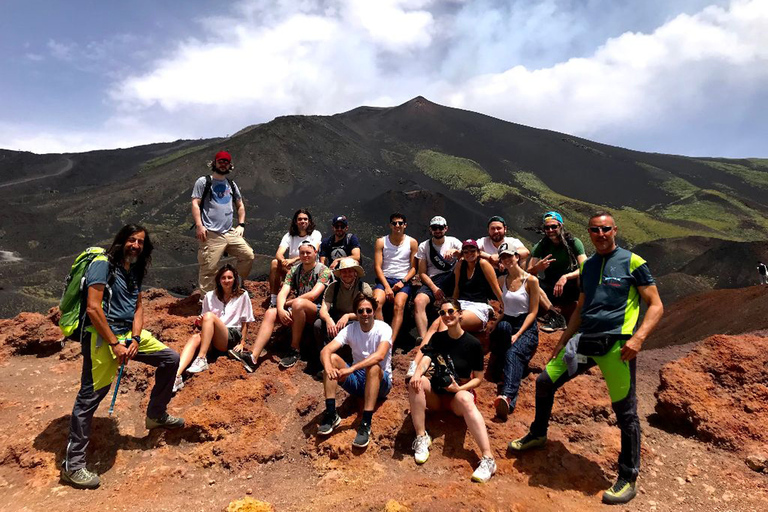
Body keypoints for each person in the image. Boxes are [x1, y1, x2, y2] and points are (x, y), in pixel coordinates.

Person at [508, 211, 663, 505]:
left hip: (617, 347)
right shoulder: (589, 266)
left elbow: (655, 305)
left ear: (615, 230)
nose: (601, 234)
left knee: (626, 412)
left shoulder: (633, 262)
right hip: (585, 342)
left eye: (606, 229)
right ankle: (538, 434)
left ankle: (628, 476)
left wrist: (638, 338)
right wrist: (563, 341)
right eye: (595, 230)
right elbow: (580, 307)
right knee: (545, 381)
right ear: (589, 233)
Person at [61, 225, 184, 490]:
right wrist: (115, 344)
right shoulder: (103, 265)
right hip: (102, 337)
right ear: (121, 241)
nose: (136, 245)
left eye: (140, 242)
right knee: (90, 396)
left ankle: (156, 414)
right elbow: (94, 309)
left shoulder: (135, 268)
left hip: (128, 333)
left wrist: (136, 338)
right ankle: (73, 465)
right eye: (131, 240)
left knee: (170, 359)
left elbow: (138, 306)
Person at [408, 299, 496, 483]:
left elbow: (478, 379)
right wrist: (417, 372)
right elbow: (426, 358)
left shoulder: (472, 344)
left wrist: (459, 388)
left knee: (465, 398)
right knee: (417, 383)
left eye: (451, 311)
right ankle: (421, 437)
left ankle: (488, 459)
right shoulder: (439, 338)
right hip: (437, 396)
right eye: (442, 313)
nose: (447, 316)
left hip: (457, 397)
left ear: (460, 313)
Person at [406, 239, 504, 380]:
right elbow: (457, 288)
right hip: (461, 304)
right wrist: (451, 305)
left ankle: (437, 361)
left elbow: (496, 288)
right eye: (466, 251)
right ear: (463, 253)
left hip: (478, 307)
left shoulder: (483, 264)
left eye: (472, 250)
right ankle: (415, 363)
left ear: (478, 252)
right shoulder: (460, 265)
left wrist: (504, 309)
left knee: (451, 320)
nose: (469, 253)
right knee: (438, 322)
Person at [240, 241, 332, 371]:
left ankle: (294, 349)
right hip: (297, 308)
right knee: (271, 313)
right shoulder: (295, 270)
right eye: (302, 253)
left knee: (298, 303)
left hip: (316, 310)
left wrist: (288, 303)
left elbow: (313, 295)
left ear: (315, 253)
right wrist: (280, 309)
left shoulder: (323, 271)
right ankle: (253, 356)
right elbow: (283, 292)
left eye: (308, 253)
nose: (305, 255)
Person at [318, 294, 393, 448]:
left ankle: (366, 422)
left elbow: (379, 356)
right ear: (356, 313)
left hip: (381, 382)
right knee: (331, 359)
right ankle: (331, 413)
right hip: (358, 381)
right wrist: (328, 369)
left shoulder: (384, 328)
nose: (365, 314)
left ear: (374, 311)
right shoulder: (351, 329)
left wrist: (351, 368)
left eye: (368, 310)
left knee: (373, 367)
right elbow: (326, 350)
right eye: (361, 311)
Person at [174, 264, 254, 391]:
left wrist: (242, 342)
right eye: (223, 278)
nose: (226, 281)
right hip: (212, 338)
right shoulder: (209, 296)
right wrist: (200, 322)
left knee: (209, 316)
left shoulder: (242, 296)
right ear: (218, 280)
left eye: (229, 277)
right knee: (195, 337)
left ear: (235, 279)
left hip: (231, 335)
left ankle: (201, 359)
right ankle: (176, 376)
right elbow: (204, 320)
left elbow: (245, 321)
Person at [191, 151, 254, 295]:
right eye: (220, 161)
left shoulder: (231, 184)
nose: (223, 164)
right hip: (211, 232)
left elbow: (240, 205)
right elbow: (195, 203)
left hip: (229, 231)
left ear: (230, 165)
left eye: (226, 162)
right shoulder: (203, 182)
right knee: (209, 269)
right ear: (214, 163)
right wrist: (199, 225)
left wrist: (241, 224)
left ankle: (233, 287)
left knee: (248, 255)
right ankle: (206, 303)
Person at [490, 246, 540, 421]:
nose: (506, 260)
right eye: (503, 258)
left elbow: (533, 312)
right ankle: (508, 370)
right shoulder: (502, 279)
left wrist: (518, 335)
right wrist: (495, 323)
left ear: (517, 257)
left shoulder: (531, 281)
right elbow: (505, 309)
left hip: (526, 325)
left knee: (513, 352)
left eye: (509, 256)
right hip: (508, 322)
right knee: (502, 329)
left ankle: (507, 397)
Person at [527, 211, 587, 332]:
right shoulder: (541, 245)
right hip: (551, 287)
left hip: (571, 286)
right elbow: (528, 271)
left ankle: (586, 312)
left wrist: (566, 277)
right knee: (529, 280)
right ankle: (555, 316)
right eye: (547, 227)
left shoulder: (574, 243)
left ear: (561, 226)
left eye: (554, 226)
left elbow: (585, 267)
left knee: (585, 276)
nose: (550, 230)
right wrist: (537, 268)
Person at [413, 216, 462, 341]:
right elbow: (422, 273)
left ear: (446, 228)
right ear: (430, 229)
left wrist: (456, 252)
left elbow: (468, 257)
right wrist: (434, 289)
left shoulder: (454, 242)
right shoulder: (424, 246)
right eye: (435, 228)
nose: (438, 230)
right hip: (433, 280)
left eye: (440, 227)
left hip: (452, 276)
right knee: (419, 301)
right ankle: (423, 339)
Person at [372, 212, 418, 344]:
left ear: (405, 225)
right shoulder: (381, 242)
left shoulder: (412, 242)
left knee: (399, 305)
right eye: (394, 223)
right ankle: (382, 337)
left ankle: (391, 341)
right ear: (390, 225)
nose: (397, 225)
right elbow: (377, 267)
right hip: (385, 279)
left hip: (403, 280)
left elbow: (414, 268)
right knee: (377, 302)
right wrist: (387, 287)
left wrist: (403, 282)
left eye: (400, 223)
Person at [314, 258, 373, 350]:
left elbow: (368, 312)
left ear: (355, 273)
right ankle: (323, 354)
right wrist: (328, 320)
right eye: (344, 272)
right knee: (318, 324)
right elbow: (323, 310)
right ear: (340, 274)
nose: (347, 274)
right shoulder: (333, 287)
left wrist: (348, 316)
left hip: (356, 320)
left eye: (350, 271)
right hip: (336, 320)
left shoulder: (363, 288)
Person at [269, 209, 323, 307]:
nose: (303, 221)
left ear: (309, 221)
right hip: (292, 271)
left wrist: (293, 260)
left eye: (305, 219)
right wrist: (283, 260)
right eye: (300, 219)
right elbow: (279, 253)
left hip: (310, 271)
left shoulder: (315, 234)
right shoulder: (289, 236)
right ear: (295, 221)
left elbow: (313, 250)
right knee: (275, 263)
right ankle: (273, 300)